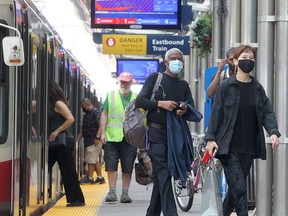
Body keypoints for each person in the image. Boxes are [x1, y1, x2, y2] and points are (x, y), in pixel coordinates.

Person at [205, 45, 280, 216]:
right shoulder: (226, 86)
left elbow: (266, 111)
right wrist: (210, 139)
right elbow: (216, 112)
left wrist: (273, 131)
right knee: (239, 188)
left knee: (235, 191)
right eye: (245, 57)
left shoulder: (257, 88)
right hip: (228, 147)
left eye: (251, 59)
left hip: (248, 147)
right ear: (236, 61)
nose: (248, 61)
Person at [135, 48, 196, 216]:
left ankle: (152, 213)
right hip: (156, 134)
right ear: (166, 62)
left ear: (183, 63)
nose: (176, 61)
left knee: (163, 175)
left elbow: (191, 106)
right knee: (165, 171)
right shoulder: (155, 78)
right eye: (173, 58)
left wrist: (184, 109)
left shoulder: (183, 85)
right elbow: (140, 101)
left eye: (179, 59)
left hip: (175, 136)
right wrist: (160, 104)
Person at [99, 72, 137, 203]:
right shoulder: (111, 96)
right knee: (111, 166)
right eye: (121, 81)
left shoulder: (137, 98)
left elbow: (142, 118)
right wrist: (102, 133)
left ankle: (125, 194)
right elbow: (104, 114)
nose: (123, 84)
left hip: (130, 138)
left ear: (131, 83)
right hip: (112, 137)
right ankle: (112, 192)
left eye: (126, 82)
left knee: (127, 166)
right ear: (118, 82)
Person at [48, 80, 85, 207]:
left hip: (63, 141)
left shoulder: (58, 103)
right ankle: (76, 199)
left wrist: (56, 131)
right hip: (56, 142)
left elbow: (71, 119)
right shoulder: (48, 104)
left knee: (67, 170)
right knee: (46, 166)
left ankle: (78, 200)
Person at [77, 98, 105, 185]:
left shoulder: (95, 113)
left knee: (91, 160)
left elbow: (101, 125)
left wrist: (97, 137)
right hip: (89, 140)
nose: (82, 109)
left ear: (87, 105)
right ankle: (100, 177)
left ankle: (90, 178)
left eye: (83, 107)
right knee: (93, 159)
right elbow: (83, 128)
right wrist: (78, 138)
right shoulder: (87, 114)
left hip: (94, 140)